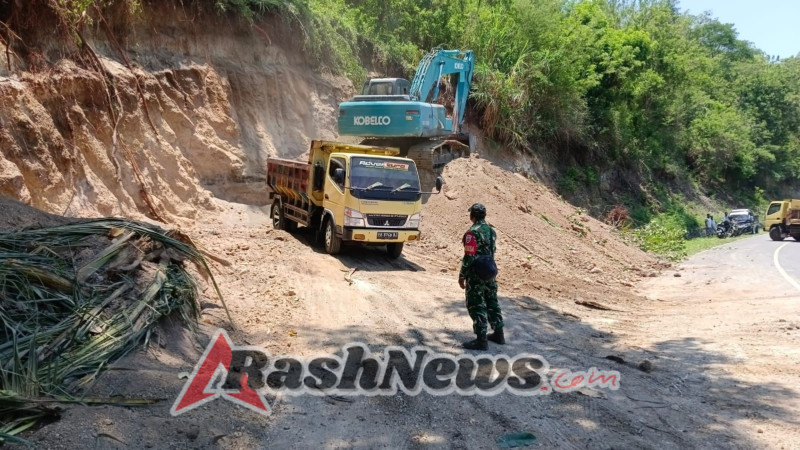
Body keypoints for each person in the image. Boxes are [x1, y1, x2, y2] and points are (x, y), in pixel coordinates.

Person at [458, 203, 503, 350]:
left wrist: (462, 275)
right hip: (490, 271)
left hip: (476, 274)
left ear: (473, 216)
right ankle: (499, 333)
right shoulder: (491, 231)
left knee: (477, 304)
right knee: (492, 302)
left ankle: (481, 339)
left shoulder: (472, 233)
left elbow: (469, 256)